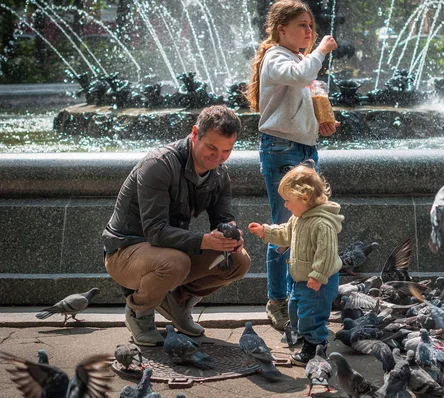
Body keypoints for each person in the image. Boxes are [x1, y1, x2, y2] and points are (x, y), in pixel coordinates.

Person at [102, 106, 251, 347]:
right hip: (124, 252)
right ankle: (138, 312)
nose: (218, 157)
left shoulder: (220, 174)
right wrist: (205, 241)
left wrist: (230, 234)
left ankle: (179, 302)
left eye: (227, 150)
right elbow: (156, 232)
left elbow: (223, 217)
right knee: (175, 263)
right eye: (212, 148)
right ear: (195, 133)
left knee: (238, 261)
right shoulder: (158, 164)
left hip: (169, 250)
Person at [246, 0, 340, 330]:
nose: (310, 31)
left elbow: (306, 97)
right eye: (302, 25)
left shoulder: (299, 58)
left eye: (311, 26)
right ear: (281, 29)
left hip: (304, 149)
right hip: (281, 150)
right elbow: (301, 76)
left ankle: (299, 295)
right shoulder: (276, 58)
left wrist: (320, 124)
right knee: (285, 226)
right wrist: (323, 49)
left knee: (307, 224)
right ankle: (277, 300)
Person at [248, 162, 343, 366]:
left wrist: (318, 276)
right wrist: (266, 231)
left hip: (318, 281)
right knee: (295, 310)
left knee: (312, 315)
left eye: (288, 200)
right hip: (301, 279)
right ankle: (305, 335)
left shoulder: (322, 223)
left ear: (305, 197)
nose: (285, 205)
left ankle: (315, 346)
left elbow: (326, 254)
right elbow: (285, 233)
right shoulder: (298, 218)